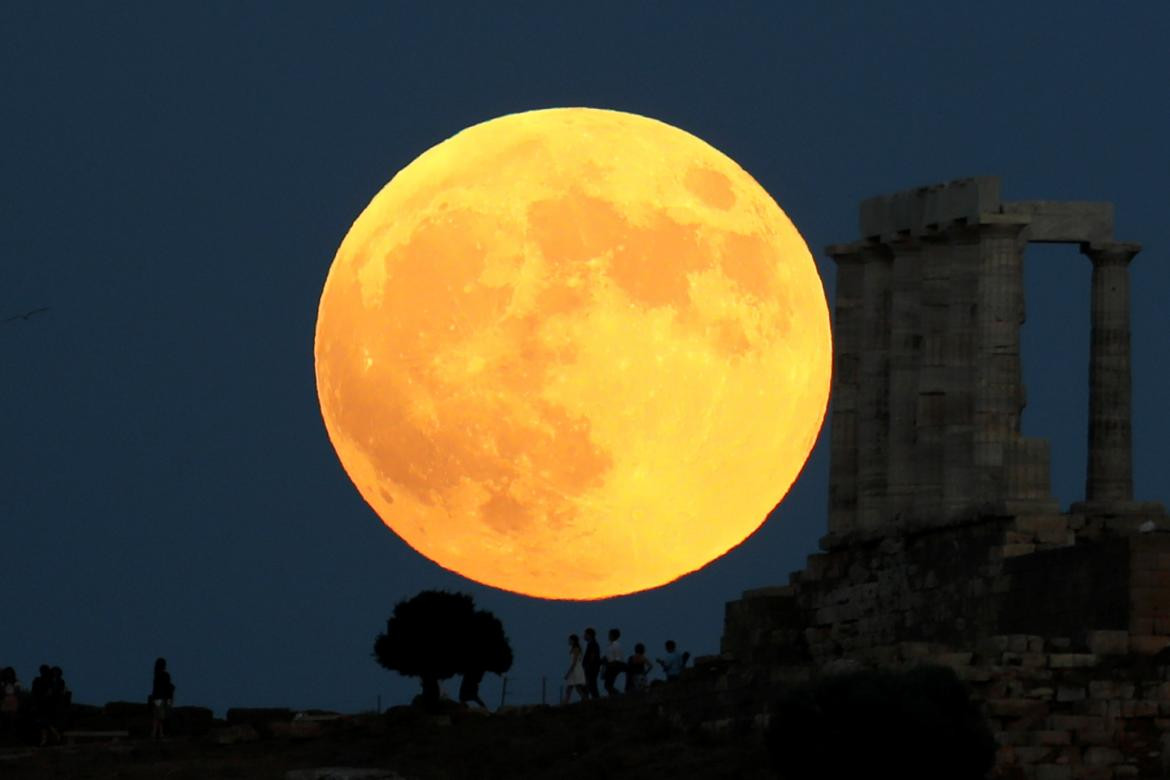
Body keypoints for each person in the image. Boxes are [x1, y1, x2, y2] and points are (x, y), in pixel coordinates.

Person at [150, 658, 175, 740]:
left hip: (157, 698)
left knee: (157, 716)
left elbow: (155, 688)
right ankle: (158, 733)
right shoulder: (165, 675)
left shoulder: (156, 675)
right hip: (162, 698)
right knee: (160, 717)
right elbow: (167, 687)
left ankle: (157, 733)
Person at [562, 634, 588, 704]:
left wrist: (568, 673)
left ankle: (566, 702)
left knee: (574, 687)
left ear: (573, 641)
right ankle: (566, 701)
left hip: (576, 670)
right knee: (573, 687)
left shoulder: (576, 649)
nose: (569, 641)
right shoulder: (574, 648)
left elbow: (574, 662)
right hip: (575, 669)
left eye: (570, 640)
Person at [48, 667, 70, 739]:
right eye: (54, 672)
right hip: (52, 702)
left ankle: (57, 734)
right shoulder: (50, 681)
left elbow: (60, 691)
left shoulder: (61, 681)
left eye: (56, 672)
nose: (55, 673)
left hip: (57, 702)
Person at [1, 667, 21, 740]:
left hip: (13, 700)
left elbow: (17, 692)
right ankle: (6, 735)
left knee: (12, 718)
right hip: (5, 700)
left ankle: (12, 735)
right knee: (5, 718)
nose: (8, 674)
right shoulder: (3, 682)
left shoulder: (16, 682)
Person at [603, 628, 624, 696]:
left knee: (608, 684)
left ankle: (617, 694)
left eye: (610, 635)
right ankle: (613, 695)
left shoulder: (615, 645)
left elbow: (617, 658)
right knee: (608, 684)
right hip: (610, 665)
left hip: (613, 666)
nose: (608, 636)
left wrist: (612, 665)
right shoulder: (611, 645)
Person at [582, 628, 601, 699]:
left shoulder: (593, 644)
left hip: (591, 667)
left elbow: (592, 656)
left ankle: (595, 699)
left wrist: (588, 665)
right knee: (590, 684)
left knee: (591, 684)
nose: (584, 636)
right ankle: (589, 698)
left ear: (589, 635)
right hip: (591, 667)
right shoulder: (592, 644)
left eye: (585, 634)